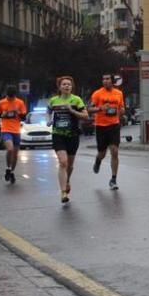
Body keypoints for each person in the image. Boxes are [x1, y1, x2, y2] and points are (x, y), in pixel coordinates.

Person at [47, 76, 89, 204]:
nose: (66, 86)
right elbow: (48, 111)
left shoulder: (76, 100)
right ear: (59, 87)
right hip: (58, 134)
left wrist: (72, 111)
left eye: (69, 85)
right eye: (64, 84)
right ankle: (63, 192)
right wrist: (49, 119)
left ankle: (67, 180)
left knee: (69, 165)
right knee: (63, 162)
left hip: (72, 135)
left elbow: (86, 116)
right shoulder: (54, 100)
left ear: (72, 87)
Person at [89, 73, 126, 190]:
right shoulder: (97, 94)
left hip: (114, 126)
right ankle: (98, 160)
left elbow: (122, 108)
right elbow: (89, 109)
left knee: (114, 151)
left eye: (107, 79)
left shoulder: (119, 93)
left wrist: (121, 112)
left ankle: (113, 179)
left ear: (112, 80)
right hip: (101, 126)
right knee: (102, 153)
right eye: (103, 79)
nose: (105, 81)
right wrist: (101, 108)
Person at [0, 85, 27, 183]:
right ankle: (8, 167)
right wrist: (2, 115)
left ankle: (11, 171)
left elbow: (24, 117)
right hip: (6, 129)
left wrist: (18, 113)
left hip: (16, 130)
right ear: (6, 95)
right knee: (10, 149)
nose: (10, 99)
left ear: (15, 96)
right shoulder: (2, 102)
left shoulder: (20, 102)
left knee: (16, 155)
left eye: (12, 97)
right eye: (9, 97)